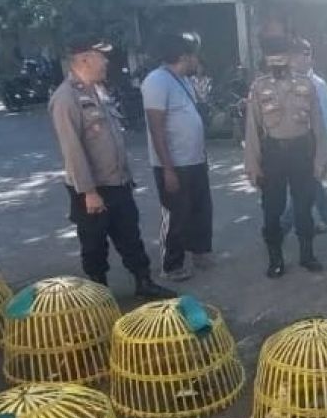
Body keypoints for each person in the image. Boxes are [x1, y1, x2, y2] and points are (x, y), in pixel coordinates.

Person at [48, 34, 175, 299]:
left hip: (117, 182)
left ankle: (143, 282)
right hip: (93, 189)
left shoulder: (99, 90)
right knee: (94, 243)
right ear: (84, 59)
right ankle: (98, 293)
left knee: (130, 235)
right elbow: (73, 150)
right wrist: (89, 192)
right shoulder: (66, 98)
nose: (106, 61)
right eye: (101, 56)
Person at [244, 35, 327, 279]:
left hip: (302, 152)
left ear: (289, 58)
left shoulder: (307, 85)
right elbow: (252, 129)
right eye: (273, 56)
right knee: (272, 209)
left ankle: (307, 255)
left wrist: (320, 159)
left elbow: (319, 126)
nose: (277, 61)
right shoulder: (259, 88)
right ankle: (275, 259)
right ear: (267, 59)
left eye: (282, 55)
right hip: (273, 154)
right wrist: (253, 164)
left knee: (303, 206)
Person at [141, 31, 212, 282]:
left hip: (194, 160)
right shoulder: (157, 81)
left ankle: (199, 252)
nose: (198, 61)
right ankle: (171, 264)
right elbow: (156, 127)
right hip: (174, 164)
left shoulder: (182, 79)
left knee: (200, 209)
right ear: (184, 56)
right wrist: (168, 169)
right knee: (176, 215)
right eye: (195, 56)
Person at [280, 38, 327, 236]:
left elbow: (326, 121)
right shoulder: (286, 81)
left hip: (313, 143)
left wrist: (324, 152)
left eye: (304, 55)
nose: (298, 60)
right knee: (310, 183)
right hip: (293, 143)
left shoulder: (318, 84)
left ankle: (283, 226)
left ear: (310, 57)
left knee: (303, 187)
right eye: (295, 56)